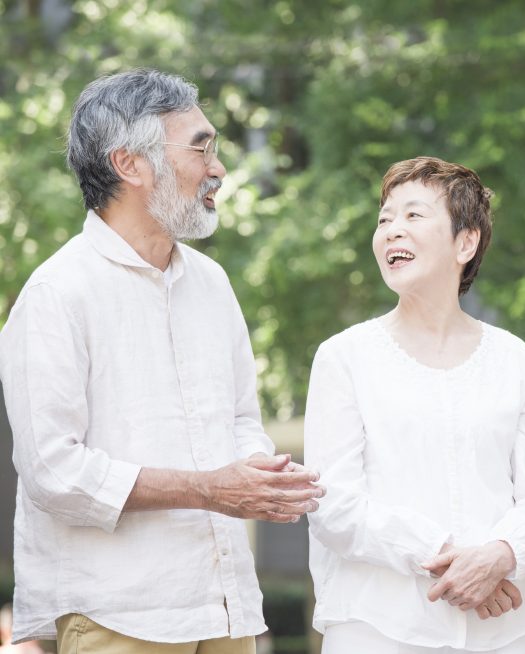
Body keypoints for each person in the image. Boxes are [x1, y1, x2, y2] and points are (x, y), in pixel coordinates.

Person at [0, 69, 323, 653]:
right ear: (130, 164)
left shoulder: (212, 283)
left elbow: (241, 421)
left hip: (228, 609)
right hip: (117, 614)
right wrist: (209, 489)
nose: (219, 169)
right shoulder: (57, 293)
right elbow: (52, 471)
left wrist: (262, 478)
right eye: (201, 147)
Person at [304, 156, 525, 653]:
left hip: (502, 631)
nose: (391, 231)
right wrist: (448, 557)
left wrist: (501, 555)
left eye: (413, 216)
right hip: (378, 628)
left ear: (465, 242)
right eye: (384, 220)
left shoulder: (518, 361)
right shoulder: (344, 357)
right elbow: (334, 506)